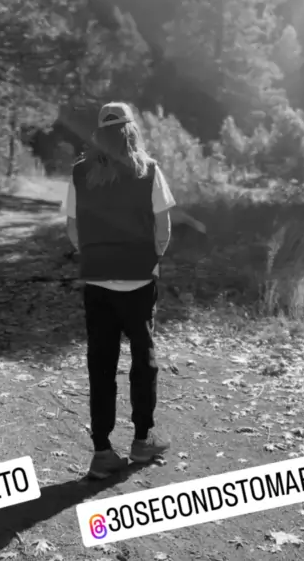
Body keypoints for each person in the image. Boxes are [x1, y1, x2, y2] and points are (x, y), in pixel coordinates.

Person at [64, 102, 206, 480]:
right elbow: (164, 227)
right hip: (139, 280)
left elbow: (72, 227)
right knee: (144, 359)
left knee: (101, 363)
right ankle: (142, 440)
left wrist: (94, 256)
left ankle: (102, 452)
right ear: (132, 131)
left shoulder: (80, 172)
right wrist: (151, 259)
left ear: (99, 134)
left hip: (97, 281)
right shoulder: (149, 170)